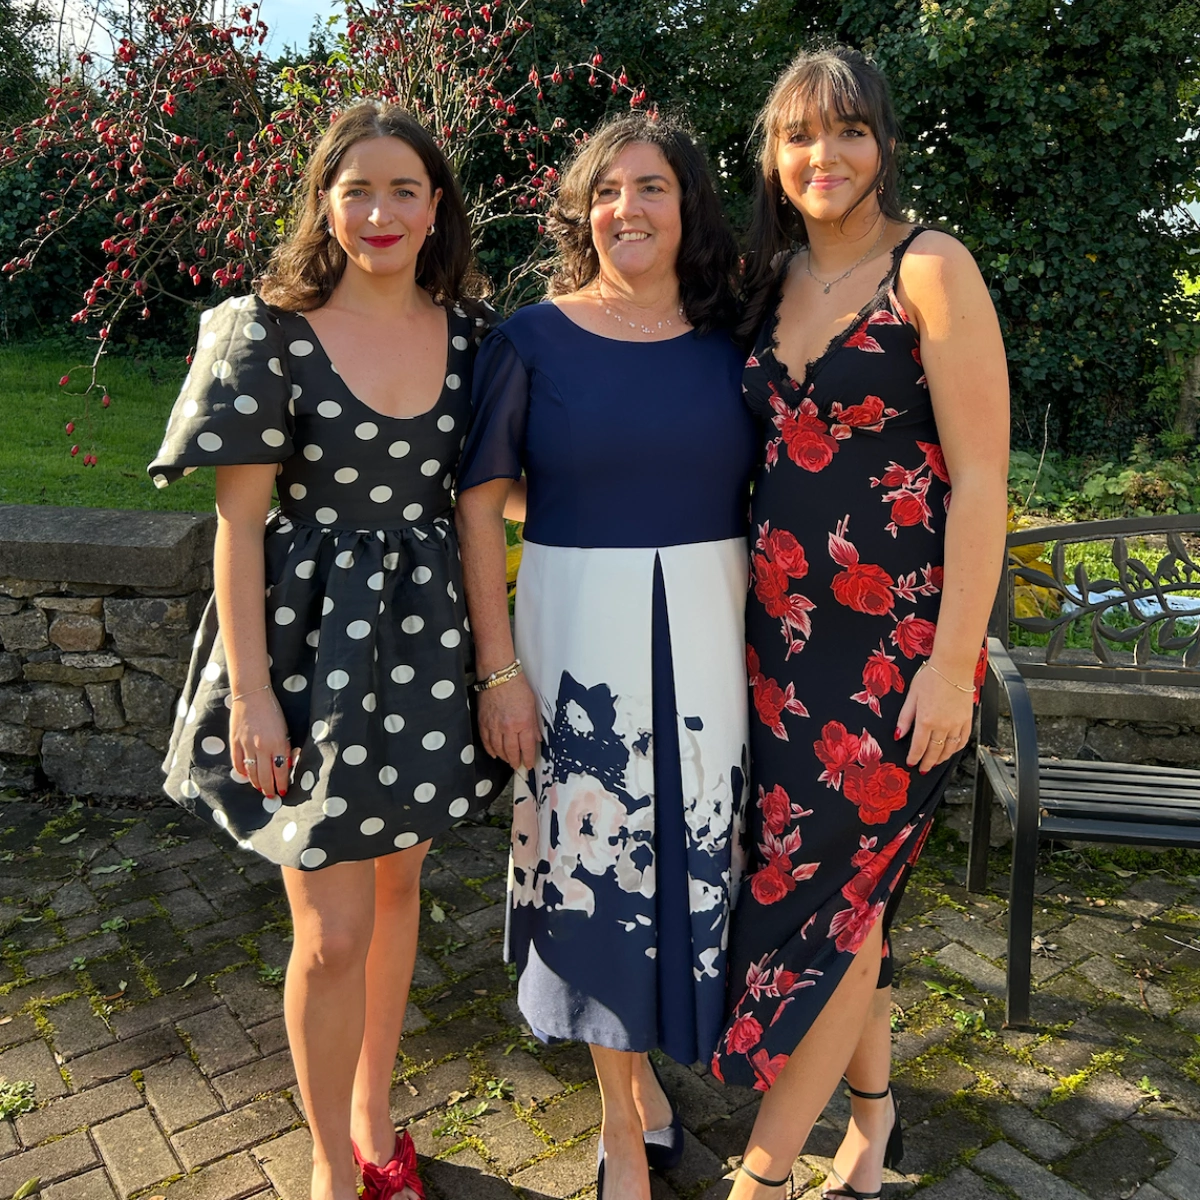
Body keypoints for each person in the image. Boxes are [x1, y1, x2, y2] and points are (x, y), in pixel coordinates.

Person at [148, 102, 507, 1200]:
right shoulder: (267, 331)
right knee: (331, 934)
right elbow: (238, 526)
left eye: (404, 190)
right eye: (358, 190)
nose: (380, 212)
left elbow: (490, 499)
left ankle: (372, 1113)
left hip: (427, 649)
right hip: (308, 659)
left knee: (398, 893)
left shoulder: (474, 335)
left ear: (436, 206)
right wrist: (252, 696)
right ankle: (328, 1164)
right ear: (325, 203)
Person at [710, 47, 1009, 1200]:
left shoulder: (929, 267)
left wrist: (953, 667)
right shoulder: (764, 278)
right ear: (772, 155)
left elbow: (982, 482)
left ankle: (764, 1172)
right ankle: (873, 1124)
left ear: (884, 143)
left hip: (893, 662)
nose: (822, 155)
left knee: (828, 903)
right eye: (798, 135)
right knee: (847, 900)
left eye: (847, 130)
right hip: (775, 651)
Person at [454, 113, 756, 1200]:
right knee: (600, 877)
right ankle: (622, 1127)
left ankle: (657, 1087)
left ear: (690, 206)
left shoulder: (738, 340)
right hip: (579, 648)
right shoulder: (531, 340)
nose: (628, 208)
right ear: (583, 215)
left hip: (712, 646)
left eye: (653, 187)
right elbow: (481, 504)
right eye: (607, 191)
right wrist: (500, 670)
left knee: (692, 867)